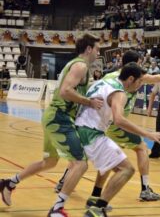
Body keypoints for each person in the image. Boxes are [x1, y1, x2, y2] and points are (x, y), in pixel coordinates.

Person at [55, 51, 160, 204]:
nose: (141, 67)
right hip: (112, 124)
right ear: (132, 69)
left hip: (93, 123)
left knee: (98, 158)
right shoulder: (128, 83)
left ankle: (80, 190)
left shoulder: (108, 77)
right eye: (139, 63)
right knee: (140, 149)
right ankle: (143, 190)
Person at [0, 33, 103, 216]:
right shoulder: (80, 65)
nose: (98, 52)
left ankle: (10, 182)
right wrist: (89, 102)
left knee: (49, 162)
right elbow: (65, 91)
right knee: (80, 164)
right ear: (89, 49)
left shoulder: (76, 65)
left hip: (53, 116)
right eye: (97, 48)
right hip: (59, 117)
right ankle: (57, 209)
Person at [76, 62, 160, 216]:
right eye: (140, 81)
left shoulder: (102, 81)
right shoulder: (120, 92)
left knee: (109, 161)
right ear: (131, 79)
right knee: (126, 169)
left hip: (81, 128)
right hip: (91, 132)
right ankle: (97, 209)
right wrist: (148, 134)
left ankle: (94, 198)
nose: (140, 85)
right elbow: (119, 120)